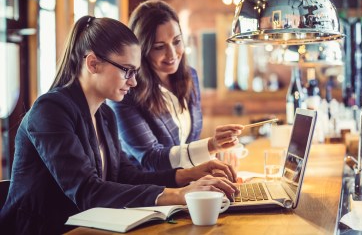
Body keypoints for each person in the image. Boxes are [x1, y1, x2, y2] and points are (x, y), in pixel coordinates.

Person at [0, 16, 238, 235]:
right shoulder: (50, 110)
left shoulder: (104, 114)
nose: (133, 82)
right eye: (127, 71)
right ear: (93, 63)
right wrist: (179, 195)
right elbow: (87, 191)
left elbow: (125, 175)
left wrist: (188, 175)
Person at [109, 0, 244, 171]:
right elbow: (151, 158)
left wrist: (215, 154)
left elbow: (189, 143)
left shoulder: (191, 76)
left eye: (177, 41)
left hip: (185, 187)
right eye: (159, 47)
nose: (172, 54)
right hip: (149, 193)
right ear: (142, 50)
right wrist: (211, 146)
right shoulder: (125, 92)